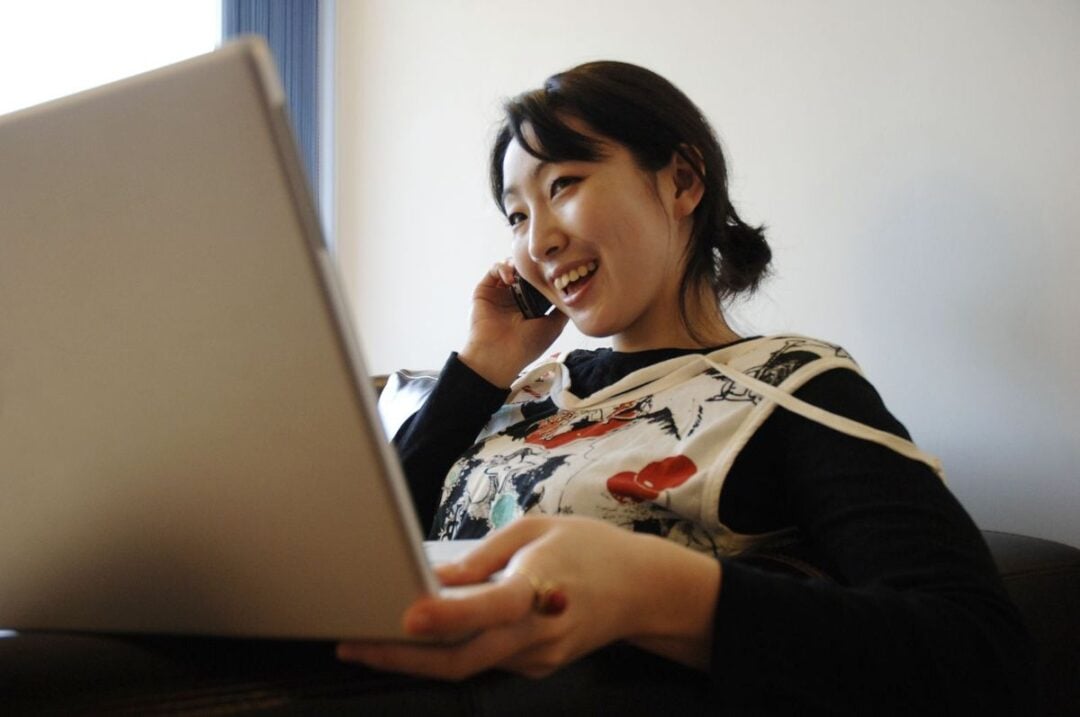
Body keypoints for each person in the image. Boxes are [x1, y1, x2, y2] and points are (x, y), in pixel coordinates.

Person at [337, 61, 1034, 714]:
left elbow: (978, 648)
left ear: (681, 181)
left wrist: (651, 590)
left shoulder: (792, 386)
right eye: (516, 216)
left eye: (564, 185)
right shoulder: (524, 392)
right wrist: (480, 368)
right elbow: (355, 554)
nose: (538, 242)